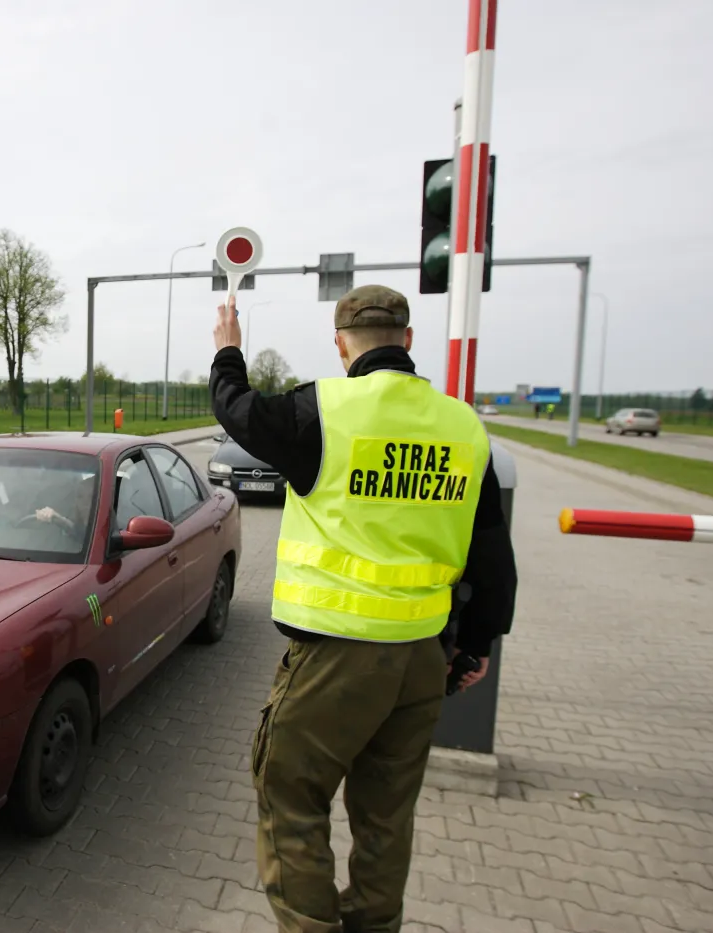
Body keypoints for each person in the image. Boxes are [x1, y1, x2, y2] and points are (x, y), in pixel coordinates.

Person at [208, 285, 517, 933]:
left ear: (341, 342)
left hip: (336, 658)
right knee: (385, 817)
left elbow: (236, 411)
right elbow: (491, 553)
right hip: (423, 660)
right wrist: (479, 644)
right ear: (408, 340)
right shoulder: (464, 427)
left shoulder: (323, 410)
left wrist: (228, 350)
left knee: (291, 795)